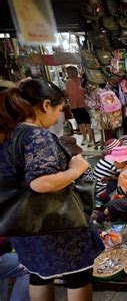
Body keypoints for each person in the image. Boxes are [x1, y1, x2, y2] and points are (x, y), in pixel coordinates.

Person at [0, 79, 104, 301]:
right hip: (57, 224)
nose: (58, 116)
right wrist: (76, 169)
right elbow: (40, 183)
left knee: (39, 276)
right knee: (77, 277)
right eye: (58, 110)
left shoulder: (8, 134)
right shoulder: (37, 136)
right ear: (45, 105)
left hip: (25, 225)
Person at [98, 146, 127, 223]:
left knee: (112, 203)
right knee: (111, 183)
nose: (113, 163)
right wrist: (111, 178)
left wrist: (105, 211)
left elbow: (119, 196)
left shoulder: (123, 174)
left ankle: (120, 216)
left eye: (115, 161)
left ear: (122, 162)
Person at [65, 66, 96, 147]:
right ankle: (84, 138)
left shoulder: (83, 80)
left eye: (70, 72)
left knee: (88, 123)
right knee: (80, 123)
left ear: (74, 72)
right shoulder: (68, 82)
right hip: (74, 106)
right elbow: (67, 94)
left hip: (84, 105)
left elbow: (88, 91)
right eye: (68, 73)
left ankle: (91, 139)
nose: (69, 74)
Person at [93, 139, 122, 203]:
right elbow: (124, 175)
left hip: (97, 188)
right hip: (102, 192)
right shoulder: (113, 161)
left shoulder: (106, 157)